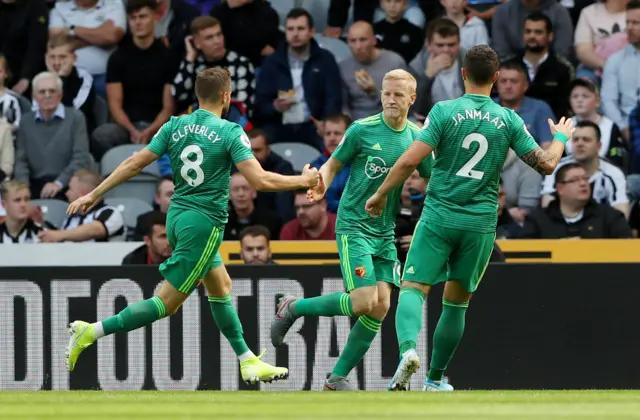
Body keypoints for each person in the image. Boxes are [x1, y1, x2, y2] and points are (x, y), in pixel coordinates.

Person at [64, 67, 320, 385]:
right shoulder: (230, 132)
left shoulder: (175, 125)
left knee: (220, 286)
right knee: (166, 303)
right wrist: (305, 179)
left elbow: (134, 163)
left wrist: (93, 193)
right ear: (226, 96)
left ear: (198, 96)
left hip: (178, 216)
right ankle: (91, 331)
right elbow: (261, 180)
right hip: (204, 223)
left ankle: (247, 360)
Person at [364, 44, 573, 392]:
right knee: (456, 302)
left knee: (413, 288)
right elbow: (547, 163)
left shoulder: (444, 112)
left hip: (439, 216)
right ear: (495, 78)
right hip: (479, 225)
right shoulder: (508, 120)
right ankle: (434, 379)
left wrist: (380, 193)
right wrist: (561, 139)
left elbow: (408, 161)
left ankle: (408, 351)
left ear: (462, 74)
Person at [270, 69, 433, 391]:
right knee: (362, 301)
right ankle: (293, 307)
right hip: (354, 226)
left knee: (382, 305)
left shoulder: (417, 139)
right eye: (386, 93)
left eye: (398, 95)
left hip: (384, 232)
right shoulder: (362, 129)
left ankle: (336, 379)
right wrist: (320, 187)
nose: (389, 99)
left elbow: (433, 178)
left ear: (411, 99)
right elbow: (332, 164)